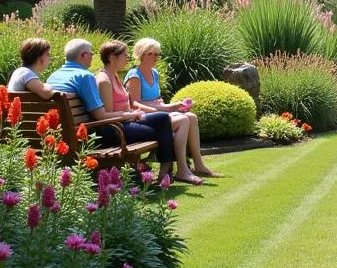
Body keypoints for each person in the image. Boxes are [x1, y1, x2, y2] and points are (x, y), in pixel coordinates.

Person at [46, 38, 181, 185]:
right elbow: (101, 115)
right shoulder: (85, 76)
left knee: (162, 120)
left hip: (63, 134)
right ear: (83, 55)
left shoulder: (53, 76)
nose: (92, 56)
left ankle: (162, 171)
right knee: (165, 132)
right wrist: (128, 115)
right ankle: (164, 172)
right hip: (103, 131)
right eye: (91, 53)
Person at [95, 40, 204, 185]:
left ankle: (172, 169)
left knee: (164, 119)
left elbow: (128, 104)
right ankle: (170, 170)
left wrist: (163, 107)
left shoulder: (114, 76)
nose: (127, 58)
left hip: (127, 121)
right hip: (116, 128)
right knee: (164, 125)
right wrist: (131, 114)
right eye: (124, 55)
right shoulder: (104, 80)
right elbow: (107, 114)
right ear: (112, 57)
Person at [125, 37, 216, 178]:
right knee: (184, 120)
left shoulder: (154, 73)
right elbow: (135, 104)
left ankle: (198, 164)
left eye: (157, 54)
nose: (155, 57)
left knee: (192, 117)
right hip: (143, 117)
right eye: (150, 54)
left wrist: (174, 106)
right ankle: (182, 169)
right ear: (141, 54)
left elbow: (157, 101)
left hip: (157, 113)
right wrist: (167, 108)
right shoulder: (134, 76)